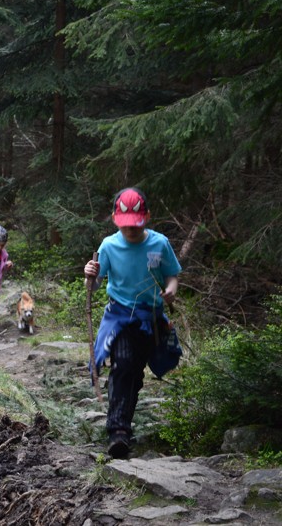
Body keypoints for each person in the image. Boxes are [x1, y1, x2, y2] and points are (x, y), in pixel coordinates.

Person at [84, 187, 182, 459]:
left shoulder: (159, 244)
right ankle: (118, 431)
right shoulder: (109, 246)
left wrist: (171, 289)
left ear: (147, 217)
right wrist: (89, 275)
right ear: (116, 219)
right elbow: (92, 287)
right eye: (125, 226)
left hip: (150, 319)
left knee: (134, 372)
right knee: (124, 364)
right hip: (119, 317)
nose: (131, 231)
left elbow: (172, 275)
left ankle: (122, 420)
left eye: (136, 226)